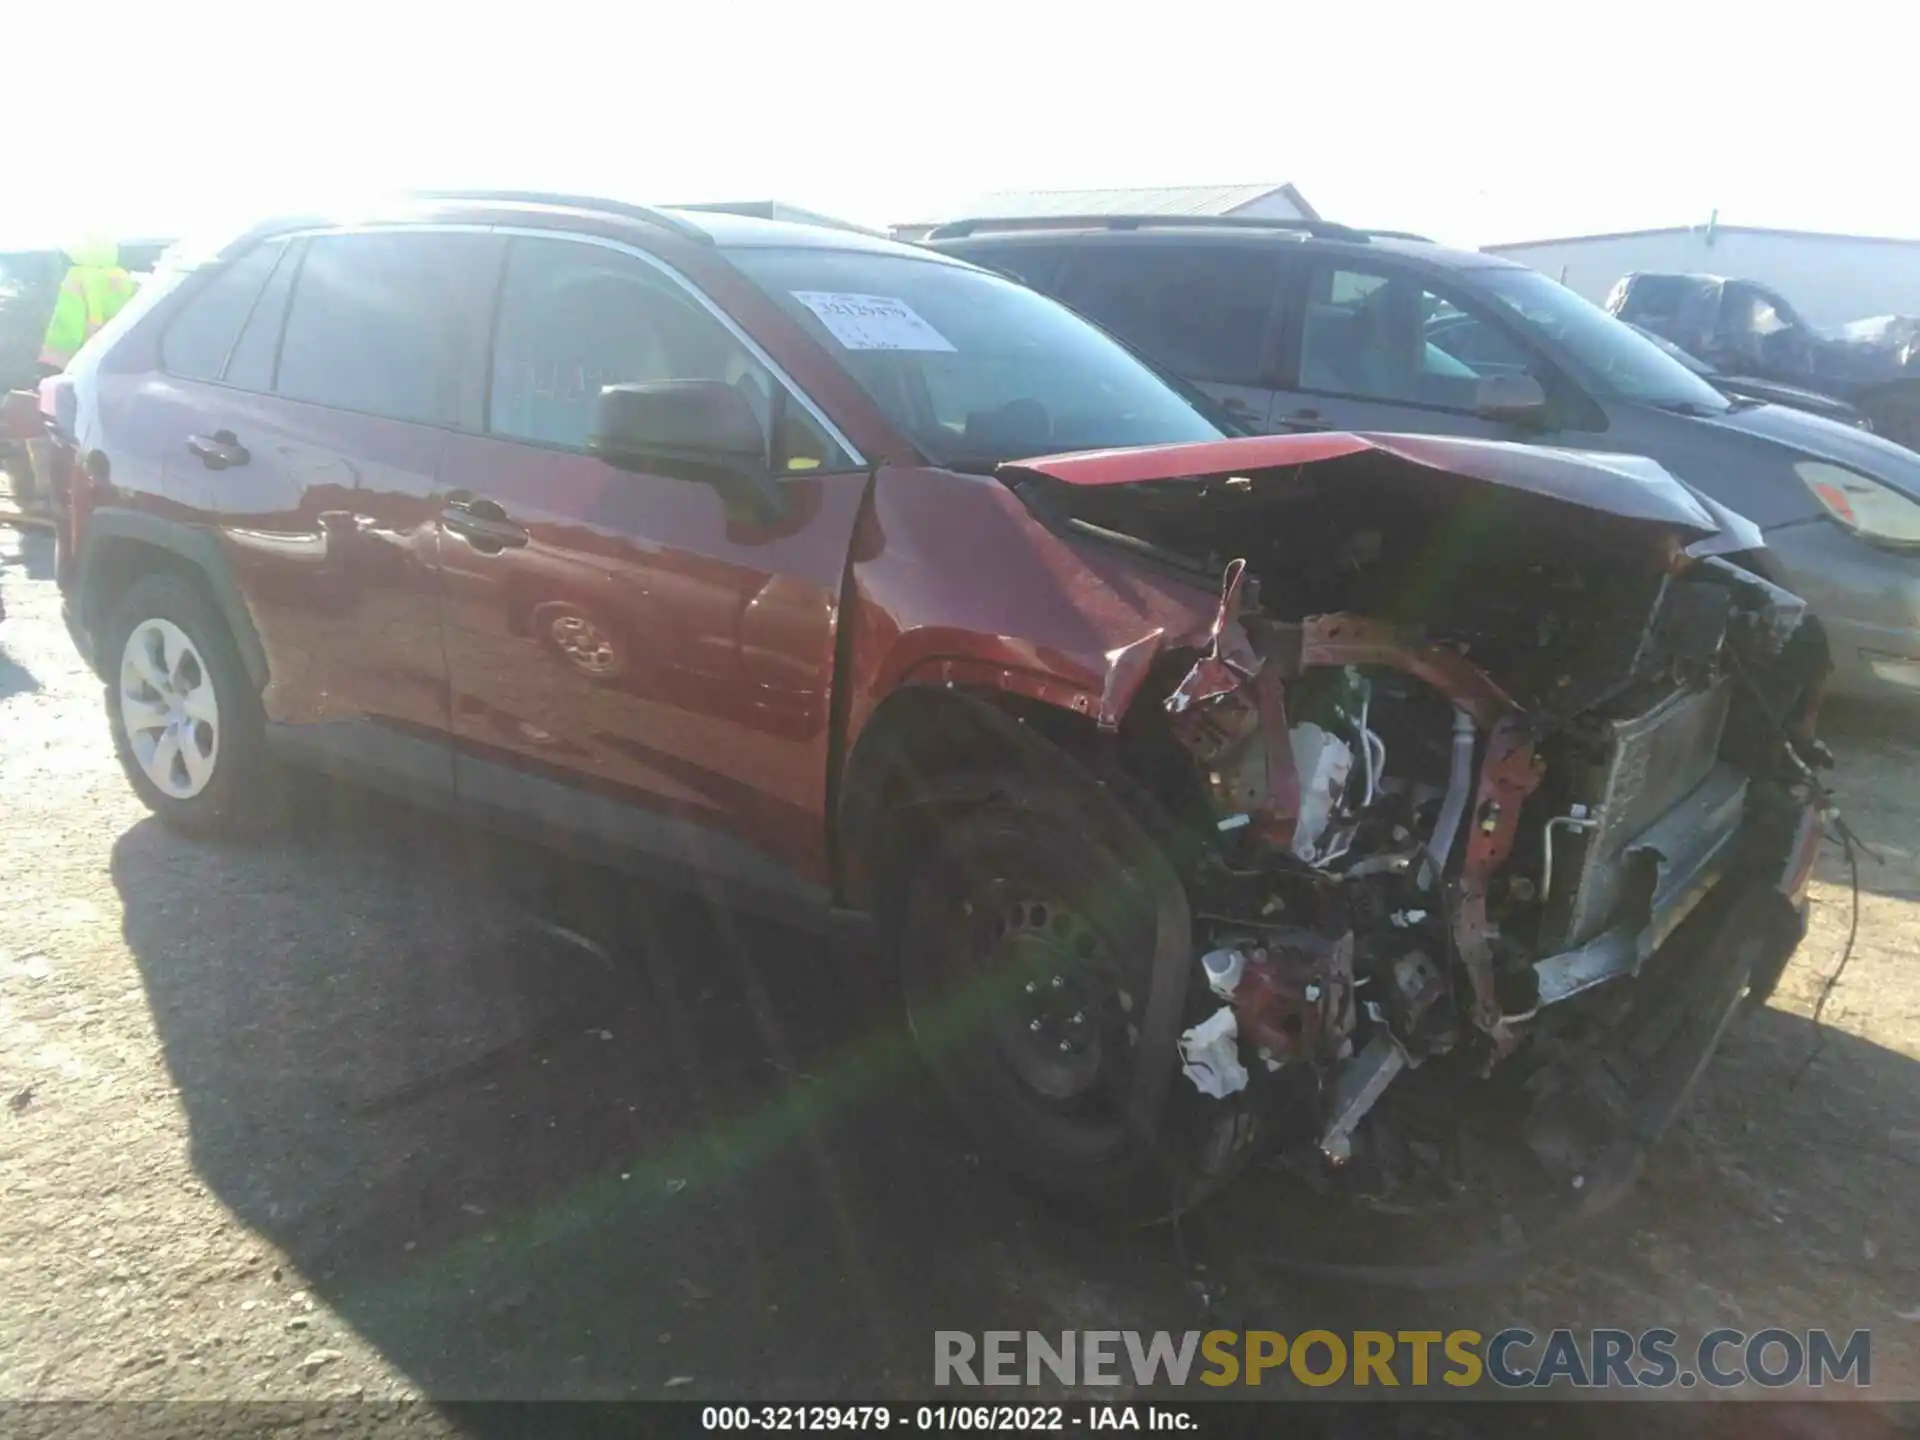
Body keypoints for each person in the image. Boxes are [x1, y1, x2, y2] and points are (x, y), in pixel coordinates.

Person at [38, 236, 137, 374]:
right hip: (117, 350)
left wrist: (58, 358)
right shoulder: (123, 277)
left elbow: (69, 319)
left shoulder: (77, 276)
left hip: (86, 351)